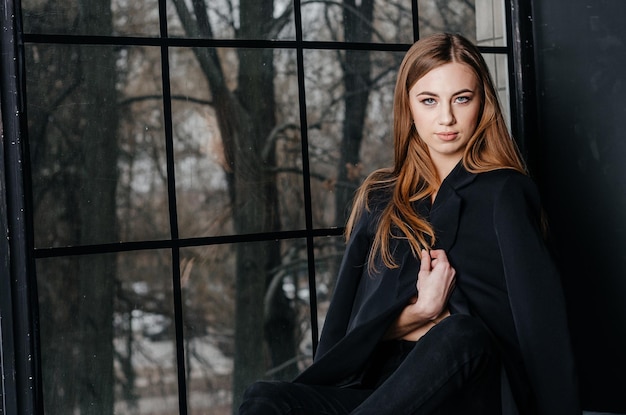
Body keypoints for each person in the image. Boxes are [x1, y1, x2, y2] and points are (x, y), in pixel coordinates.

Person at [238, 32, 580, 414]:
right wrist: (420, 313)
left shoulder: (505, 193)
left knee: (458, 334)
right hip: (385, 395)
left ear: (482, 102)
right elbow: (344, 339)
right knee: (264, 398)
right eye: (429, 100)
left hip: (470, 397)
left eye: (461, 99)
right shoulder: (380, 199)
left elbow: (540, 330)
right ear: (409, 106)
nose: (446, 117)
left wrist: (445, 323)